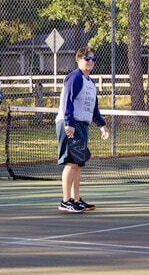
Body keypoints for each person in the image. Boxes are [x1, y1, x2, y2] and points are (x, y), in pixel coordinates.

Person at [55, 46, 109, 213]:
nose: (90, 62)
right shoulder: (74, 78)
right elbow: (67, 101)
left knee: (77, 164)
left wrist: (102, 125)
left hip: (82, 124)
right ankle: (65, 201)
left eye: (93, 59)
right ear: (78, 60)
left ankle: (76, 200)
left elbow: (93, 108)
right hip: (70, 123)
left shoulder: (90, 83)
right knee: (71, 163)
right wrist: (69, 123)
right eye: (87, 59)